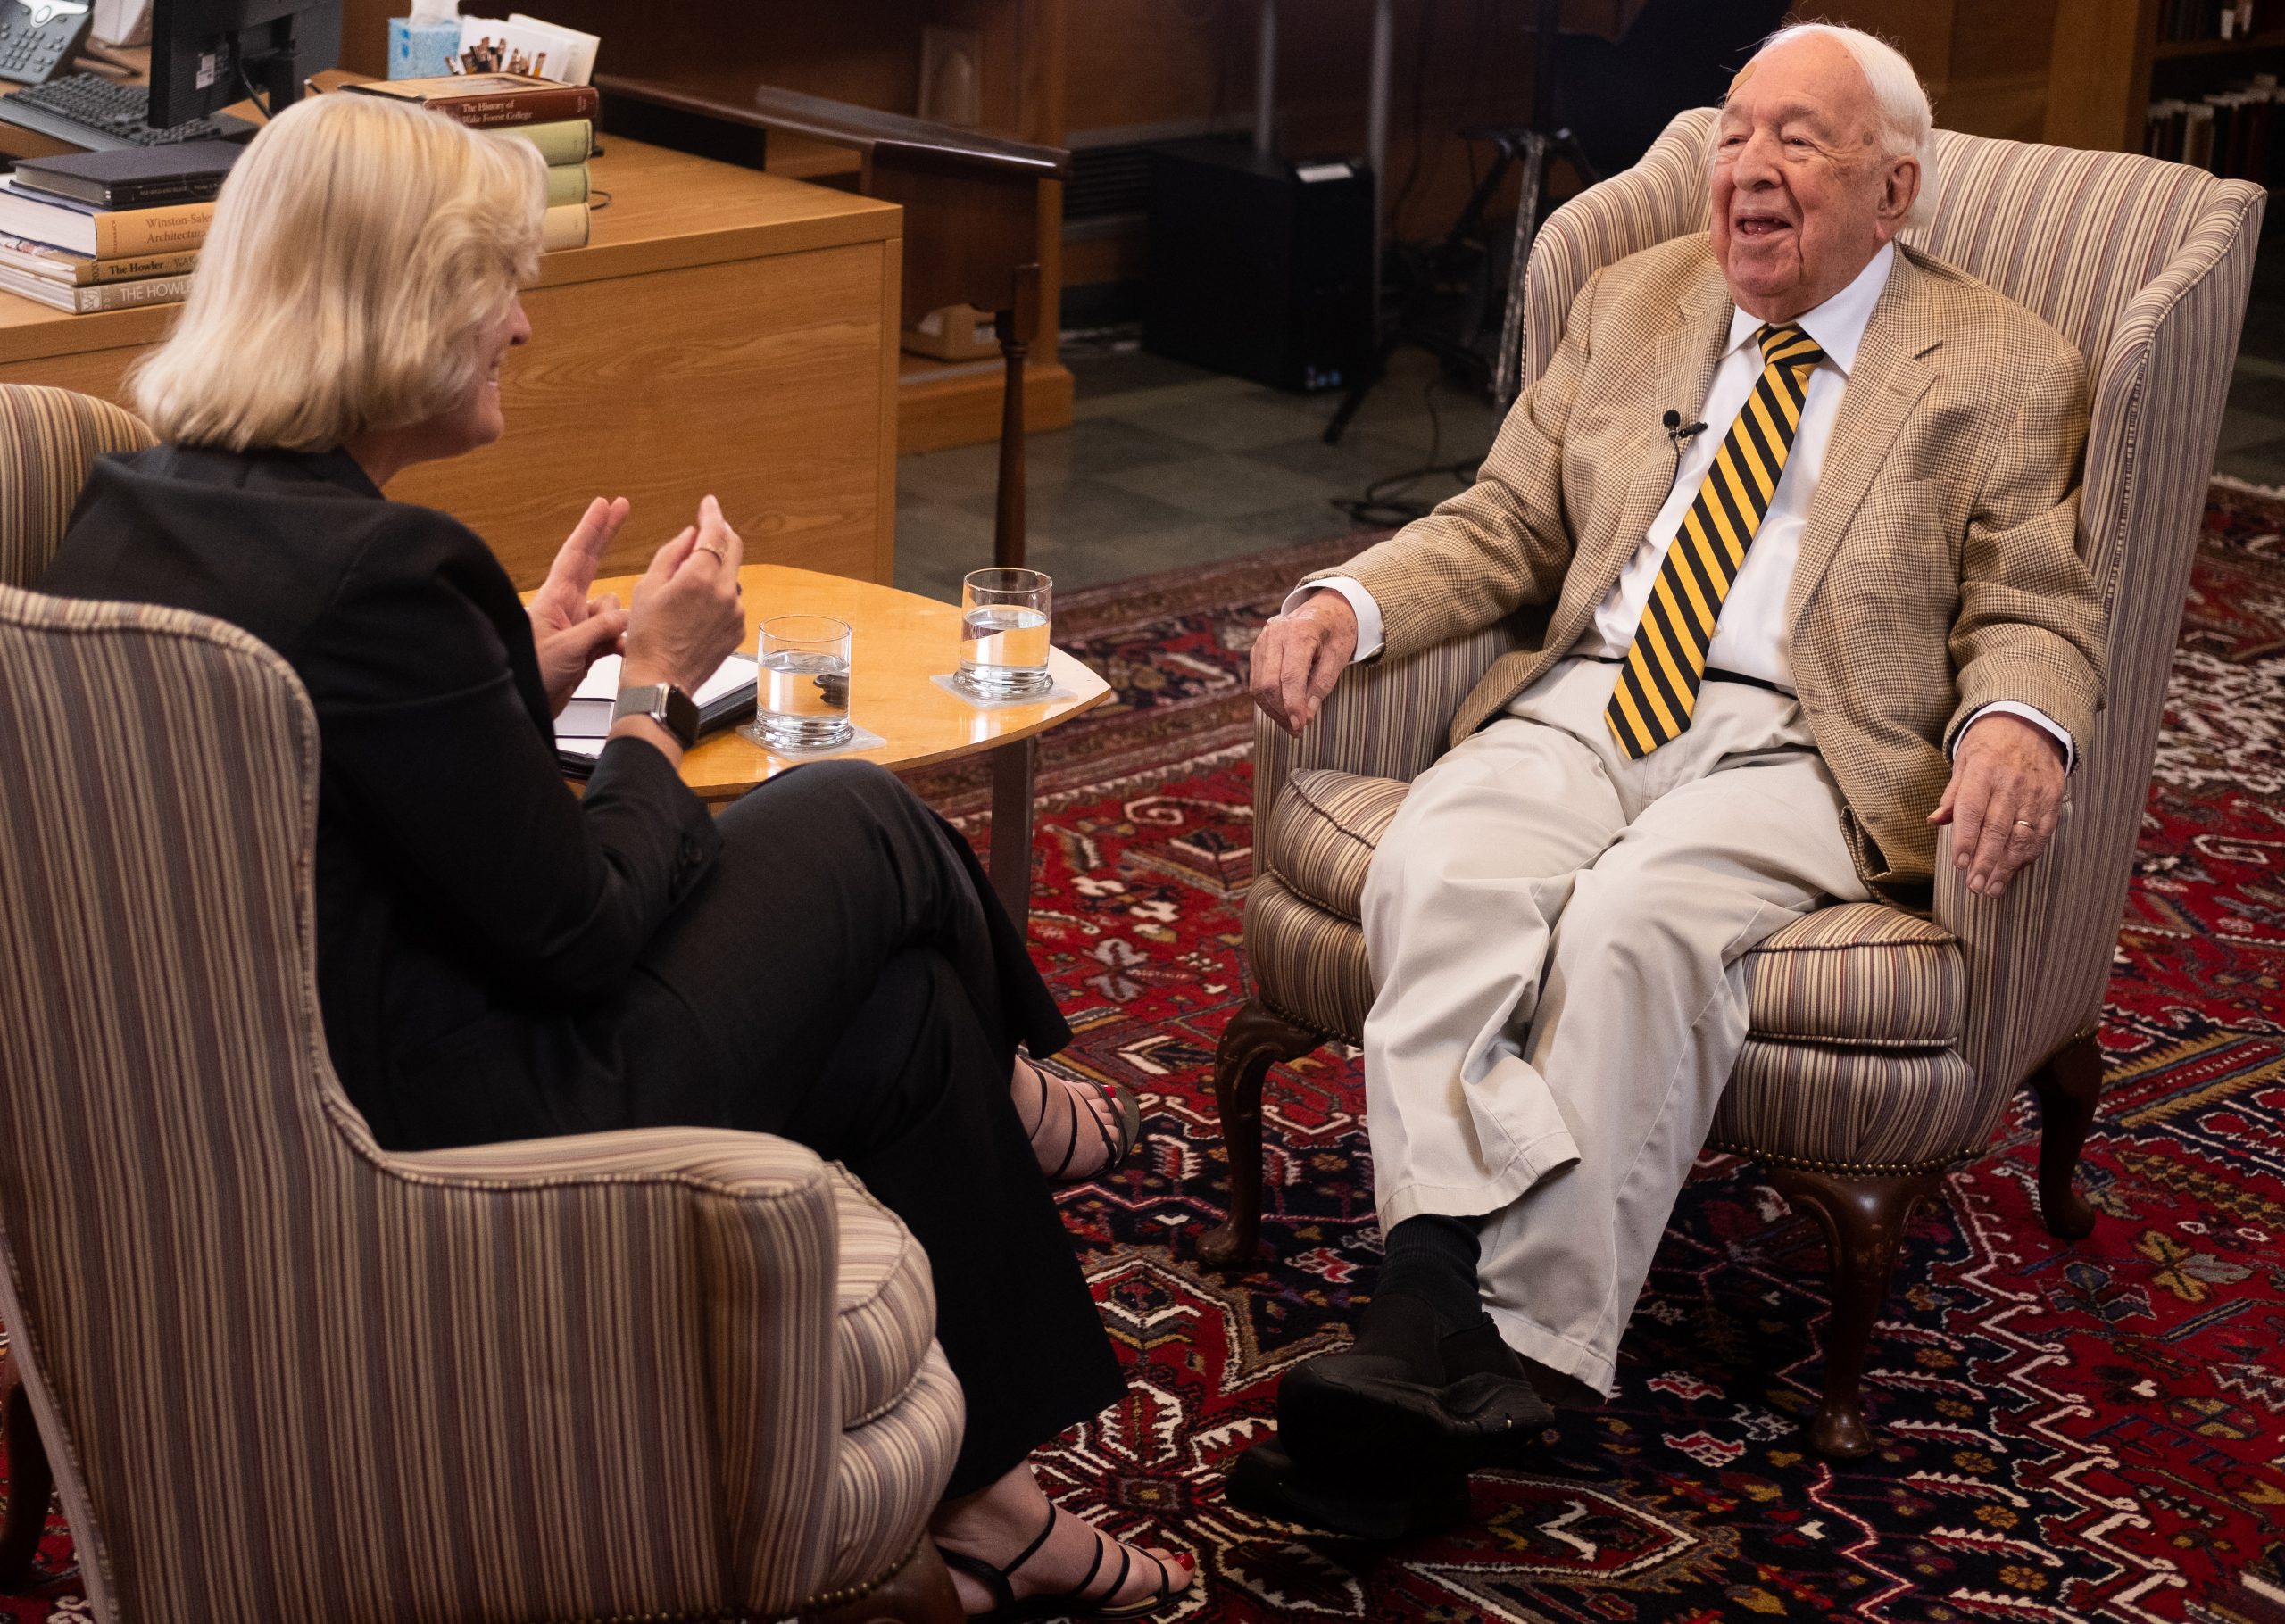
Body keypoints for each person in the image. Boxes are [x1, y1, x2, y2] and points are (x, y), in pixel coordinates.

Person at [39, 92, 1192, 1620]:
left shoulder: (131, 509)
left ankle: (996, 1504)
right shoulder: (384, 573)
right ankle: (1028, 1088)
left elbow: (336, 787)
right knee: (845, 811)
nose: (520, 325)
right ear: (403, 307)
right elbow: (576, 937)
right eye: (494, 285)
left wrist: (504, 671)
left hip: (285, 1093)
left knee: (901, 1013)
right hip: (459, 1139)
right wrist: (651, 693)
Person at [1234, 22, 2106, 1532]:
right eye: (1736, 135)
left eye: (1798, 143)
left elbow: (2036, 602)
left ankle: (1477, 1339)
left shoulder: (2006, 369)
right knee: (1441, 865)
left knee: (1639, 923)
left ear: (1893, 191)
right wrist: (1347, 603)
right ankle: (1447, 1320)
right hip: (1596, 694)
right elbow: (1505, 518)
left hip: (1805, 743)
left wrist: (2017, 724)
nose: (1749, 172)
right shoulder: (1634, 301)